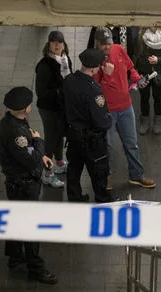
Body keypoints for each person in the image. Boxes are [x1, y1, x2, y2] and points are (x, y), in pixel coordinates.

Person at [0, 87, 59, 285]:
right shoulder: (17, 132)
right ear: (26, 109)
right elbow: (30, 158)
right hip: (24, 184)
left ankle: (15, 256)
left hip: (16, 182)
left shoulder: (9, 123)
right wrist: (39, 142)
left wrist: (43, 157)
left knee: (15, 219)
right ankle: (36, 268)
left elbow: (26, 152)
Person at [94, 28, 156, 190]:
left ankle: (136, 175)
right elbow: (94, 87)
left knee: (131, 143)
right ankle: (105, 176)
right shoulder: (95, 60)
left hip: (126, 107)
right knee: (107, 146)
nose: (107, 47)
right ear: (97, 44)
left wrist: (138, 79)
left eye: (109, 43)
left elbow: (130, 69)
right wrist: (107, 74)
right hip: (107, 110)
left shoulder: (119, 49)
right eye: (104, 45)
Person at [64, 49, 113, 203]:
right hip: (92, 139)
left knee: (74, 169)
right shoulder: (94, 90)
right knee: (99, 171)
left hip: (73, 135)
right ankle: (102, 200)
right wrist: (108, 118)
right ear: (93, 68)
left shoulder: (68, 80)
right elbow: (102, 121)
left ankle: (75, 198)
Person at [34, 30, 73, 189]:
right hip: (48, 108)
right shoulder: (44, 65)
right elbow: (41, 92)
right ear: (49, 44)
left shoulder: (65, 59)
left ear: (64, 44)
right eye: (54, 42)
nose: (57, 45)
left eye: (59, 42)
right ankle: (48, 174)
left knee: (59, 133)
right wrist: (60, 91)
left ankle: (59, 163)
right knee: (50, 138)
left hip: (61, 106)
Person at [133, 27, 161, 136]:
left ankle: (158, 119)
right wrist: (134, 73)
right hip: (143, 73)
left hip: (158, 73)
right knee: (144, 97)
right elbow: (135, 55)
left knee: (158, 97)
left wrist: (159, 60)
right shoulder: (140, 37)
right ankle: (145, 119)